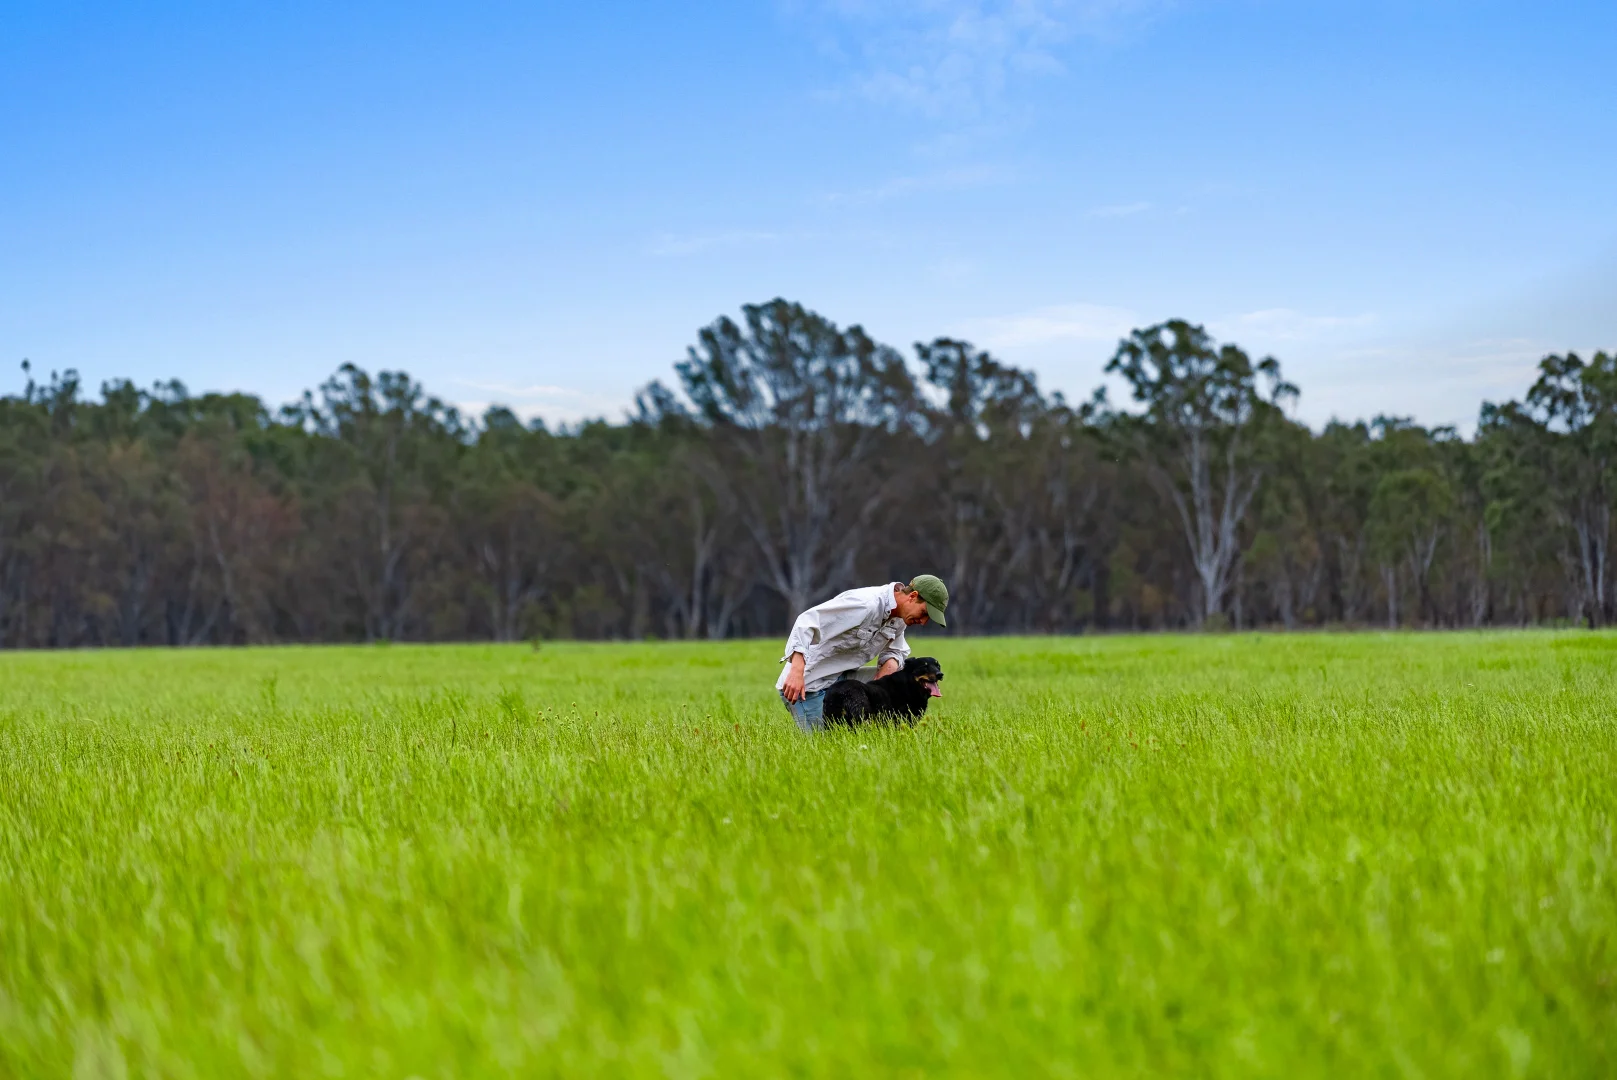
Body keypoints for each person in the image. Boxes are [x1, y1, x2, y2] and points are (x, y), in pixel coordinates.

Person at [776, 575, 949, 733]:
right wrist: (796, 671)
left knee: (905, 677)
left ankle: (890, 731)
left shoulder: (900, 617)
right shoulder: (865, 605)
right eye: (924, 613)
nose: (924, 622)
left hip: (842, 679)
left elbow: (896, 651)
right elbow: (806, 622)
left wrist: (883, 678)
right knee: (828, 748)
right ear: (912, 596)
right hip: (809, 685)